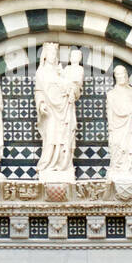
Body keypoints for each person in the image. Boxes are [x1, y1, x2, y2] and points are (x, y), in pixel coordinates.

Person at [34, 43, 82, 181]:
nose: (52, 56)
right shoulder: (41, 72)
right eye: (50, 53)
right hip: (50, 111)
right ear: (45, 55)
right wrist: (41, 103)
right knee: (51, 137)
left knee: (65, 137)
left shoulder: (62, 71)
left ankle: (63, 164)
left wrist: (71, 90)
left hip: (65, 108)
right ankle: (48, 164)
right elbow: (39, 91)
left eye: (55, 53)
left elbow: (74, 87)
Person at [106, 64, 132, 183]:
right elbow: (111, 111)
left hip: (131, 125)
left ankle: (131, 168)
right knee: (118, 147)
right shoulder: (111, 94)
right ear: (115, 77)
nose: (122, 77)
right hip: (118, 128)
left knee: (131, 145)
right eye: (119, 75)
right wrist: (111, 126)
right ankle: (118, 168)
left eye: (123, 74)